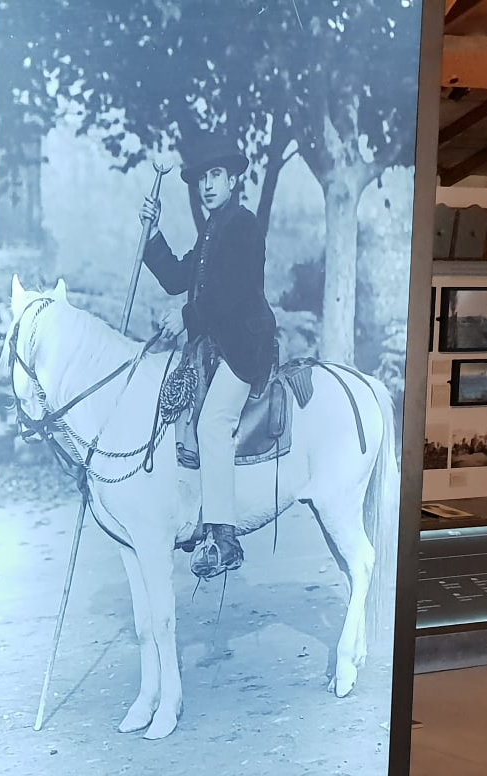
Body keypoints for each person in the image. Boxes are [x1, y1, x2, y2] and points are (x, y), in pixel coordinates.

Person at [141, 131, 276, 579]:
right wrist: (153, 234)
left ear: (234, 178)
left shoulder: (244, 225)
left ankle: (225, 537)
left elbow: (233, 294)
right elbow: (179, 277)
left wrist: (187, 319)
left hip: (244, 344)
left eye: (216, 175)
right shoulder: (211, 231)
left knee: (213, 421)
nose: (207, 185)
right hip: (214, 344)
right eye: (201, 178)